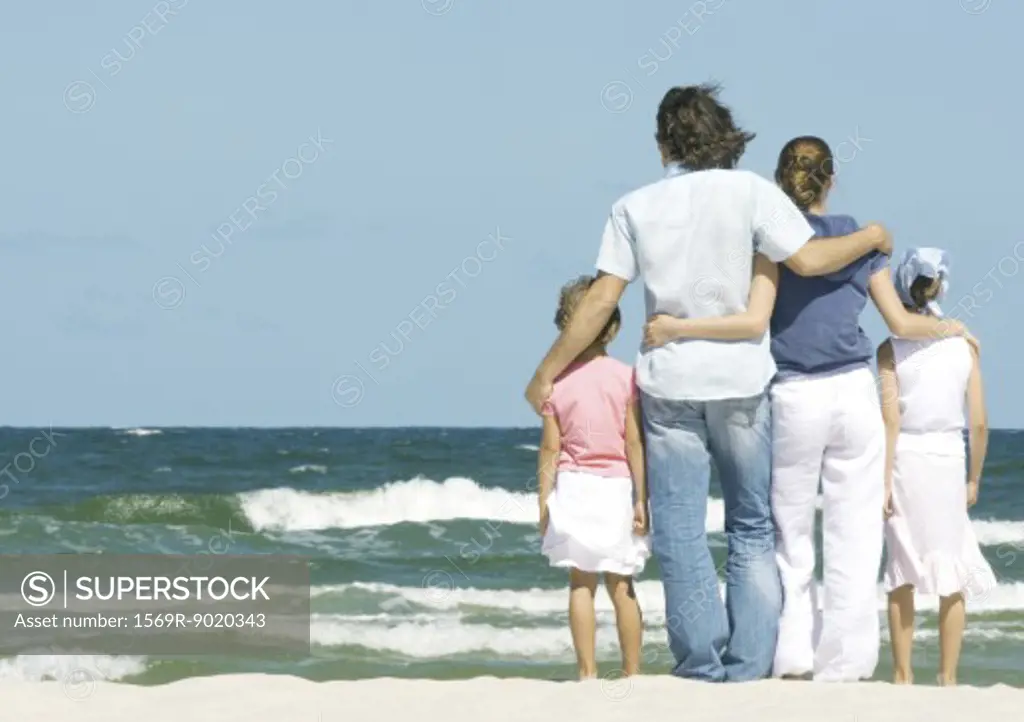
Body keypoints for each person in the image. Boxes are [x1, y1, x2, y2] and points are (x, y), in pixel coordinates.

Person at [524, 83, 894, 683]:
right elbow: (811, 260)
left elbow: (600, 302)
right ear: (725, 137)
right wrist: (874, 236)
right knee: (751, 525)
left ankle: (701, 661)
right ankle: (749, 664)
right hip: (744, 381)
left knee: (680, 528)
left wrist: (547, 371)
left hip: (671, 386)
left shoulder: (633, 206)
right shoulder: (752, 193)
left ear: (662, 143)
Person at [643, 136, 976, 682]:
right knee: (855, 535)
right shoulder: (859, 236)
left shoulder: (771, 240)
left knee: (789, 535)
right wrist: (953, 328)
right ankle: (844, 662)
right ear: (831, 178)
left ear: (781, 179)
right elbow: (901, 324)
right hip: (853, 392)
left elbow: (754, 317)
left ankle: (792, 654)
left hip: (794, 393)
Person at [879, 248, 995, 686]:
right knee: (952, 569)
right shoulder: (964, 346)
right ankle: (948, 677)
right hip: (948, 457)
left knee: (901, 569)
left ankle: (902, 674)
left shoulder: (889, 349)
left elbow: (890, 420)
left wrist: (884, 479)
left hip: (906, 459)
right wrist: (974, 477)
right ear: (939, 285)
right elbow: (979, 423)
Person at [537, 275, 650, 680]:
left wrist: (543, 503)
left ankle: (587, 673)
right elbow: (635, 444)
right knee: (622, 585)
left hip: (574, 487)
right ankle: (632, 671)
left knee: (580, 584)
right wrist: (641, 498)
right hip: (616, 487)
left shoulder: (557, 384)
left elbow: (551, 449)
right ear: (614, 327)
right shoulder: (626, 378)